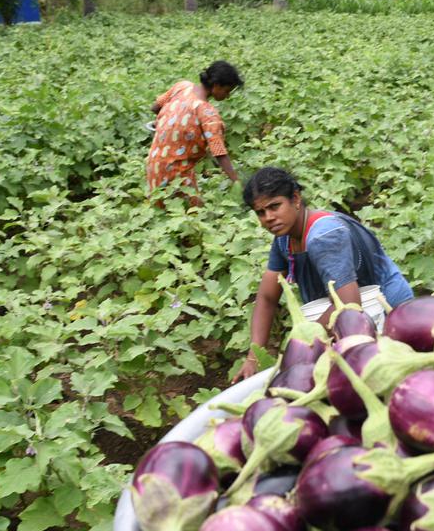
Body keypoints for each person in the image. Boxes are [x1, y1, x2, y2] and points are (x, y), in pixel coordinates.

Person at [231, 167, 414, 382]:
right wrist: (254, 358)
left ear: (296, 199)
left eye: (274, 206)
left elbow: (348, 305)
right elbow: (267, 297)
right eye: (260, 212)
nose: (268, 218)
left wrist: (303, 344)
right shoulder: (284, 238)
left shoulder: (324, 236)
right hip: (348, 315)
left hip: (386, 314)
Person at [146, 61, 243, 207]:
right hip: (177, 174)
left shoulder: (181, 87)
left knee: (161, 214)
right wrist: (236, 181)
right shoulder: (208, 114)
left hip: (154, 166)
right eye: (227, 91)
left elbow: (155, 107)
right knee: (193, 216)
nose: (227, 96)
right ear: (216, 86)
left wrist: (166, 123)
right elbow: (219, 153)